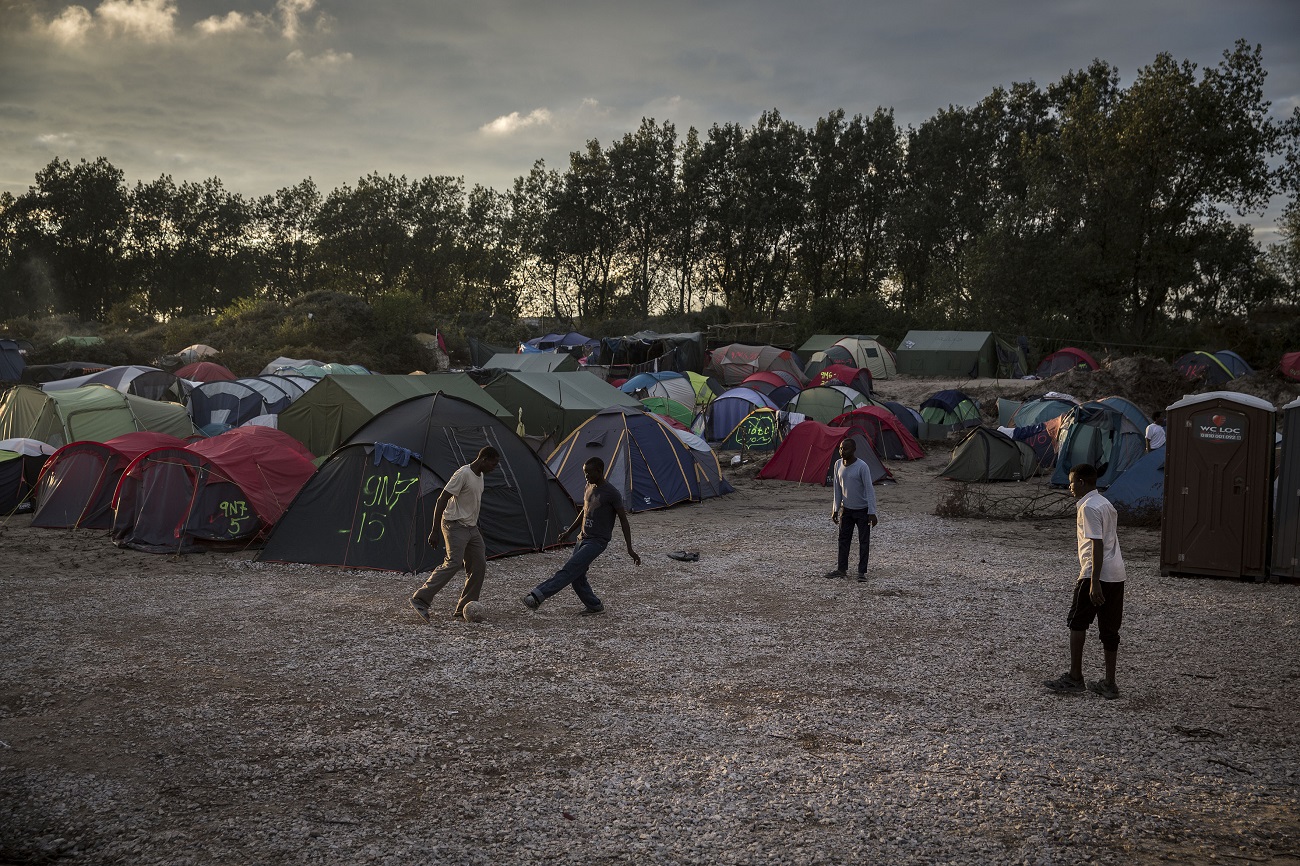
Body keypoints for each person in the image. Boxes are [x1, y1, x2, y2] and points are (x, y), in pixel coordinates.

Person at [1044, 463, 1127, 699]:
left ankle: (1075, 676)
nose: (1069, 487)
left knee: (1077, 622)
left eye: (1071, 482)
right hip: (1117, 573)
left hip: (1095, 572)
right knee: (1110, 629)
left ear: (1081, 482)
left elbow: (1096, 544)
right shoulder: (1106, 503)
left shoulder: (1089, 507)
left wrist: (1094, 581)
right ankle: (1109, 683)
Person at [522, 456, 640, 614]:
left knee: (570, 568)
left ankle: (537, 596)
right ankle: (594, 606)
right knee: (577, 577)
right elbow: (585, 510)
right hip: (582, 538)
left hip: (597, 541)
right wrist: (569, 532)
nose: (586, 477)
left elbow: (624, 521)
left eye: (589, 473)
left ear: (599, 471)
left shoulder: (612, 493)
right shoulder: (588, 486)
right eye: (585, 473)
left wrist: (630, 548)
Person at [409, 446, 500, 623]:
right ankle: (421, 598)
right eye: (493, 464)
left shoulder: (480, 476)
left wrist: (475, 525)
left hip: (471, 528)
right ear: (484, 459)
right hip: (454, 524)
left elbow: (471, 504)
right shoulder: (463, 474)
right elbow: (442, 498)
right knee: (454, 562)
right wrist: (434, 529)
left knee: (479, 564)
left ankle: (465, 607)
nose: (494, 468)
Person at [825, 437, 877, 582]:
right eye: (841, 448)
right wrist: (835, 509)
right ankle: (841, 569)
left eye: (846, 448)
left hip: (862, 510)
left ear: (854, 450)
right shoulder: (837, 464)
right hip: (846, 510)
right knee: (843, 539)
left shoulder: (862, 466)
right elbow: (837, 488)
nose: (842, 451)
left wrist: (872, 512)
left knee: (863, 541)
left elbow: (869, 489)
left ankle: (862, 572)